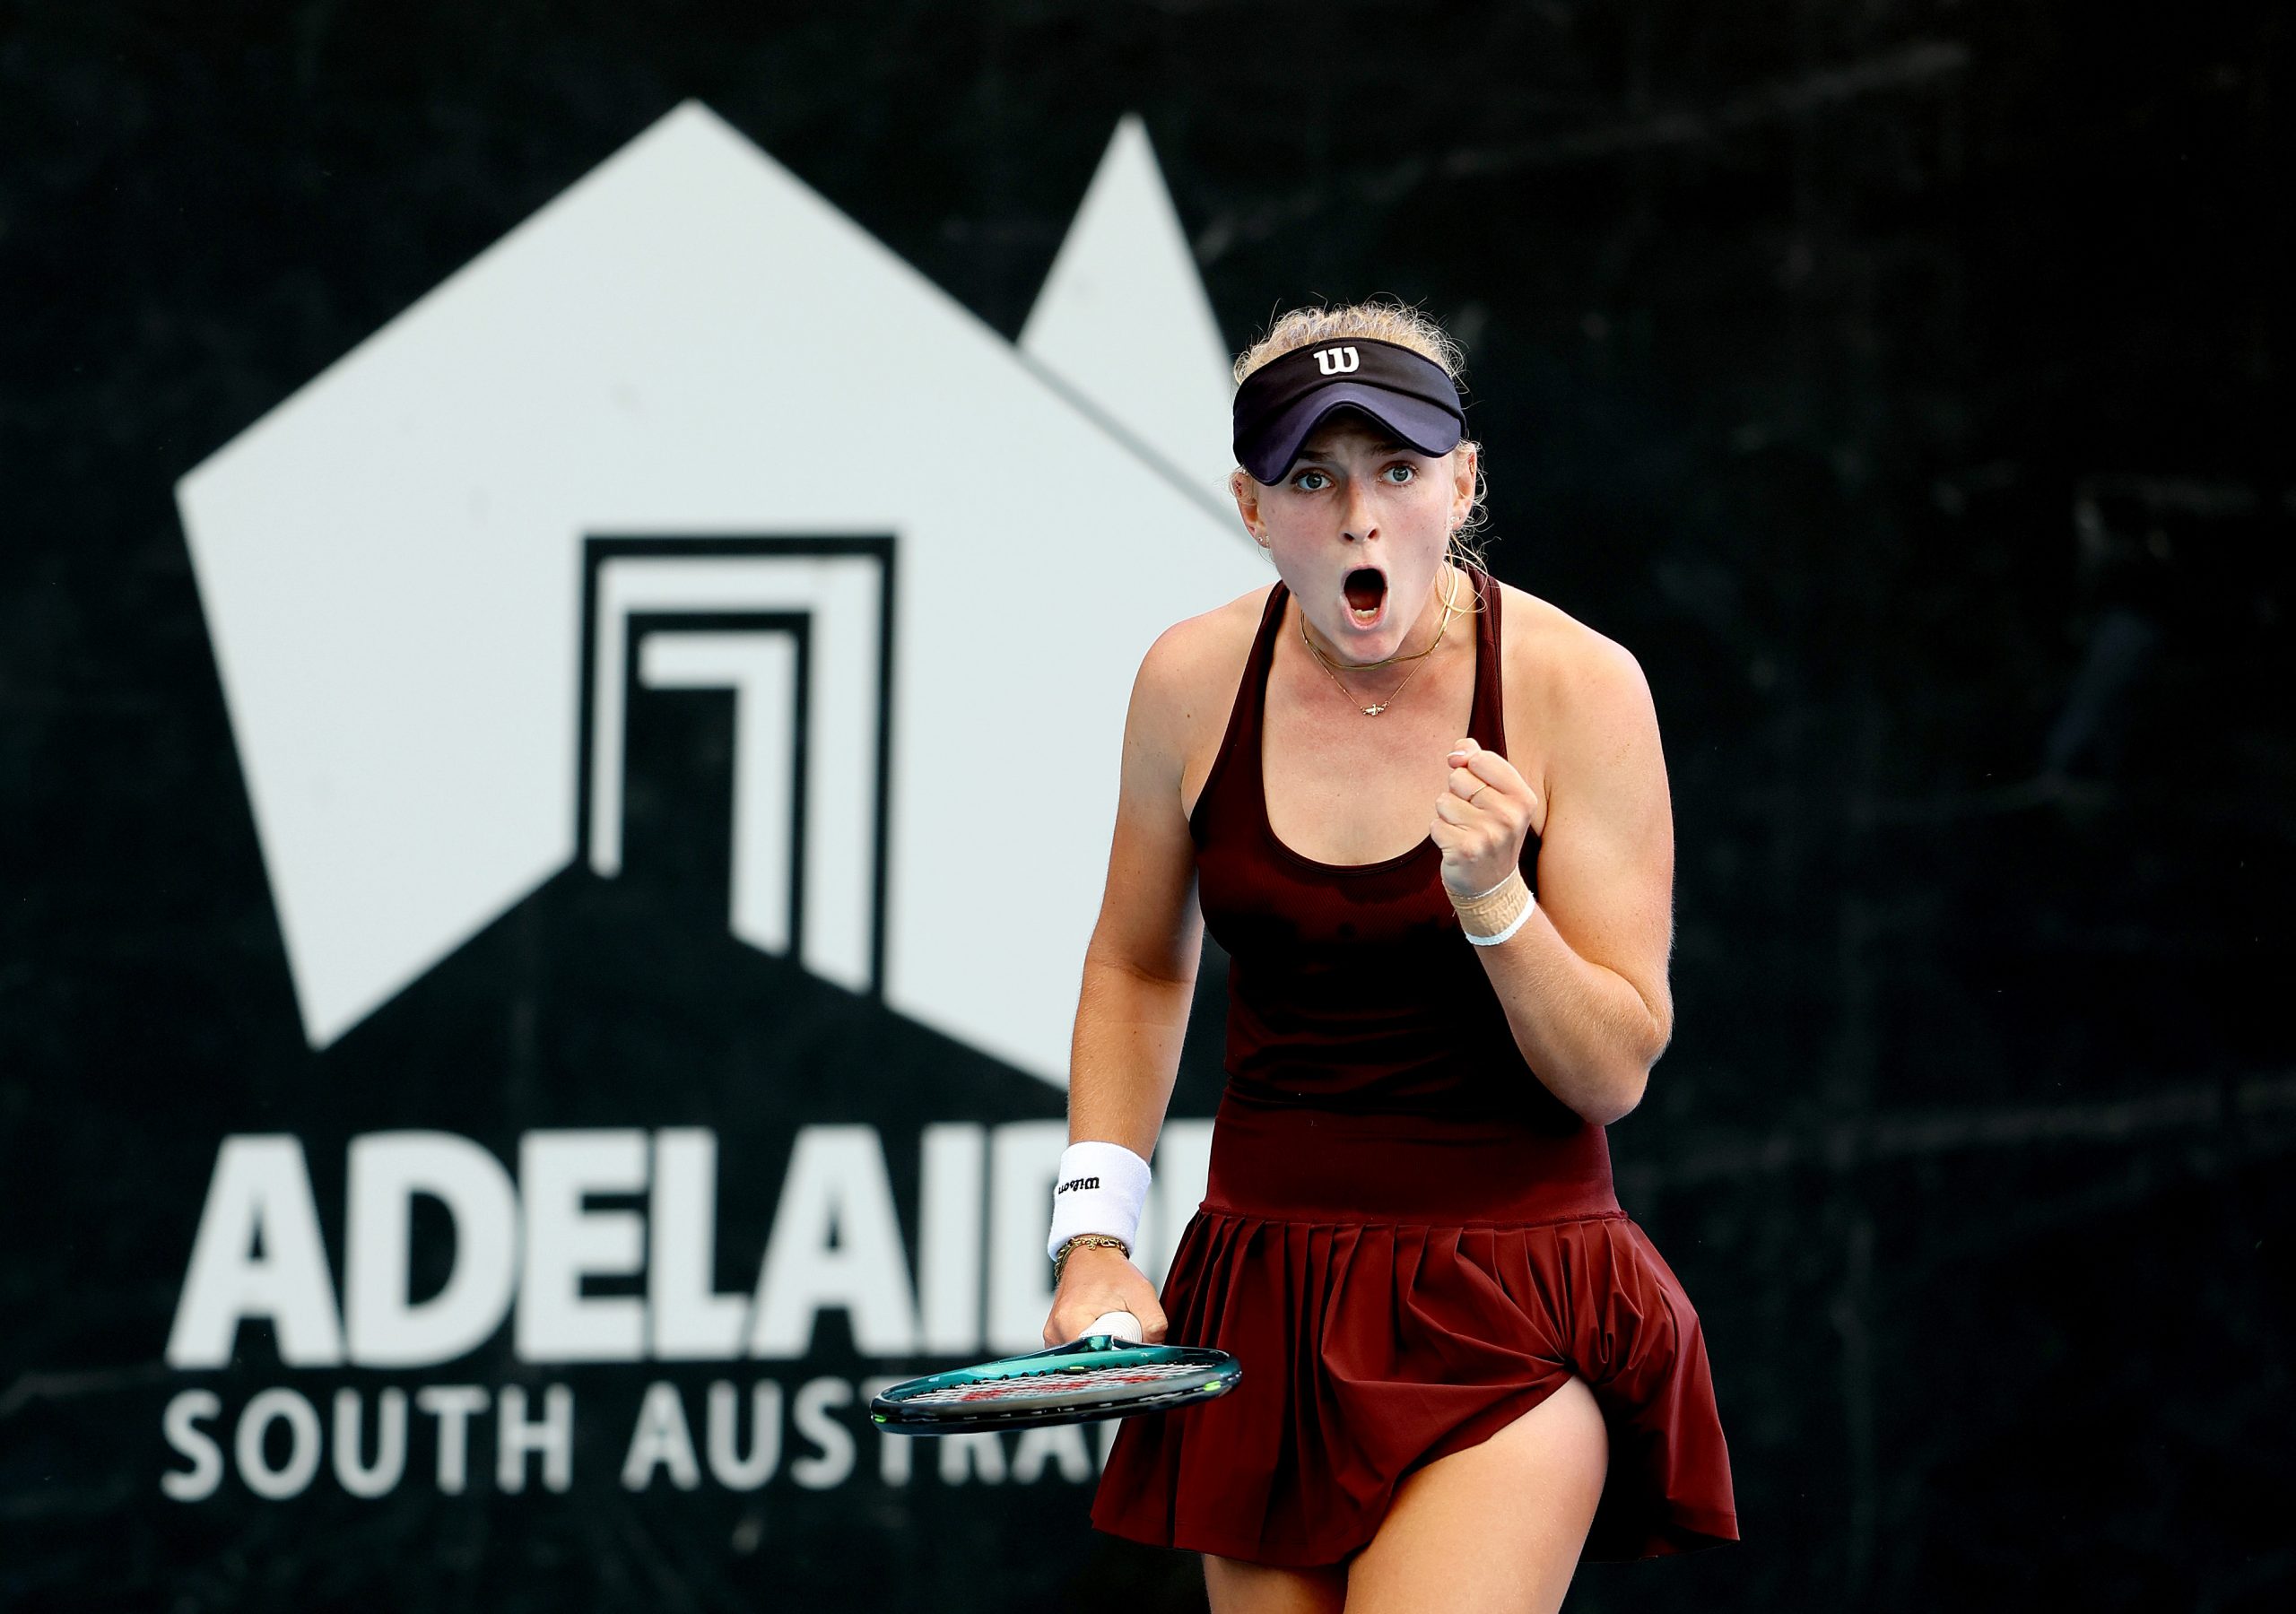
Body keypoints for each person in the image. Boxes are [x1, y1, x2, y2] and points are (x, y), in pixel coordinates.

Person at [1041, 300, 1737, 1614]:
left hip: (1510, 1305)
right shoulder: (1188, 682)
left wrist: (1497, 905)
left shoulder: (1581, 687)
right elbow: (1138, 966)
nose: (1360, 518)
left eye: (1399, 472)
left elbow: (1614, 1072)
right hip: (1264, 1296)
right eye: (1313, 478)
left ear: (1463, 483)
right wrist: (1093, 1236)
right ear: (1252, 507)